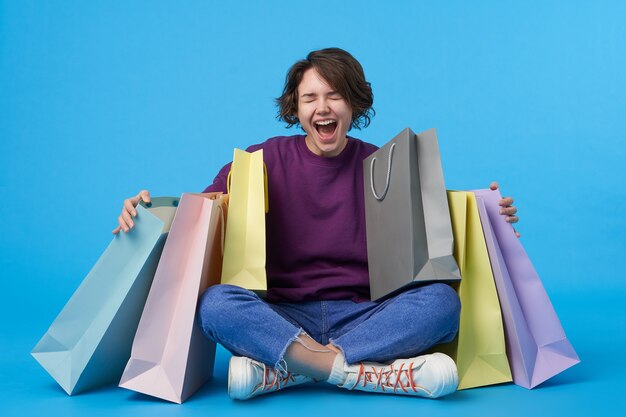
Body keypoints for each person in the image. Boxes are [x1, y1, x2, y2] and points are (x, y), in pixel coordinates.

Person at [113, 48, 519, 400]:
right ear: (295, 109)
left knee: (442, 303)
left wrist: (489, 219)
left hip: (366, 314)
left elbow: (437, 233)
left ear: (354, 105)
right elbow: (200, 213)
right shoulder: (259, 160)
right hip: (282, 313)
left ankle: (286, 370)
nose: (322, 107)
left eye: (335, 95)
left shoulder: (386, 165)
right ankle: (365, 374)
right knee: (217, 304)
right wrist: (151, 211)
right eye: (310, 98)